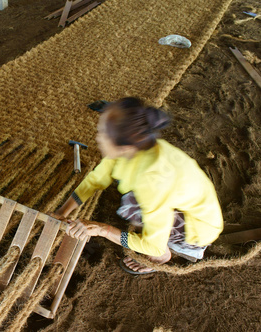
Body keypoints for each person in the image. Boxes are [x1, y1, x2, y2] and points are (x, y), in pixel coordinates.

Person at [55, 97, 223, 274]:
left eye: (104, 134)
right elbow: (96, 179)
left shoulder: (152, 181)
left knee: (133, 204)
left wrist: (102, 230)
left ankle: (162, 258)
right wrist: (62, 211)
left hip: (198, 227)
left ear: (124, 147)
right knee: (134, 199)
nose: (98, 138)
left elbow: (154, 246)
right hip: (177, 201)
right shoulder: (136, 146)